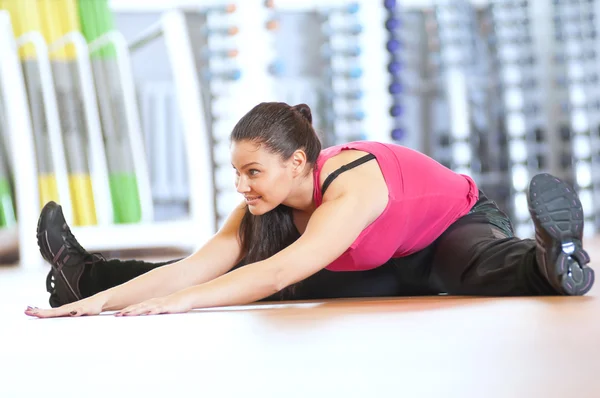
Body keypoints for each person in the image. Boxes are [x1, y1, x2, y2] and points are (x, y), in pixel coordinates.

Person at [25, 102, 594, 319]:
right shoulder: (267, 203)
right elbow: (195, 267)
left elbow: (275, 270)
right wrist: (98, 304)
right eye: (237, 172)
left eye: (253, 172)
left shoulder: (352, 186)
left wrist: (181, 305)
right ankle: (82, 276)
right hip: (382, 265)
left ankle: (553, 261)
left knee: (471, 268)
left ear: (298, 161)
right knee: (240, 277)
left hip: (448, 229)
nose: (242, 186)